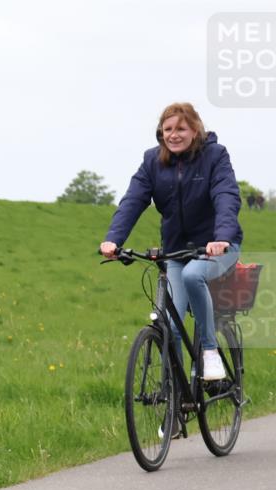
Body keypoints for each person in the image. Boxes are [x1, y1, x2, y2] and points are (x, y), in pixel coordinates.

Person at [101, 102, 243, 382]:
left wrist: (222, 237)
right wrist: (113, 240)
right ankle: (174, 396)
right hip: (176, 251)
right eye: (167, 129)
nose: (173, 134)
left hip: (216, 249)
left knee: (193, 275)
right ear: (160, 132)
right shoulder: (152, 161)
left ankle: (210, 351)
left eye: (181, 128)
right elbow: (132, 201)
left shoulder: (215, 155)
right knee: (170, 325)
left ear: (195, 130)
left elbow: (226, 196)